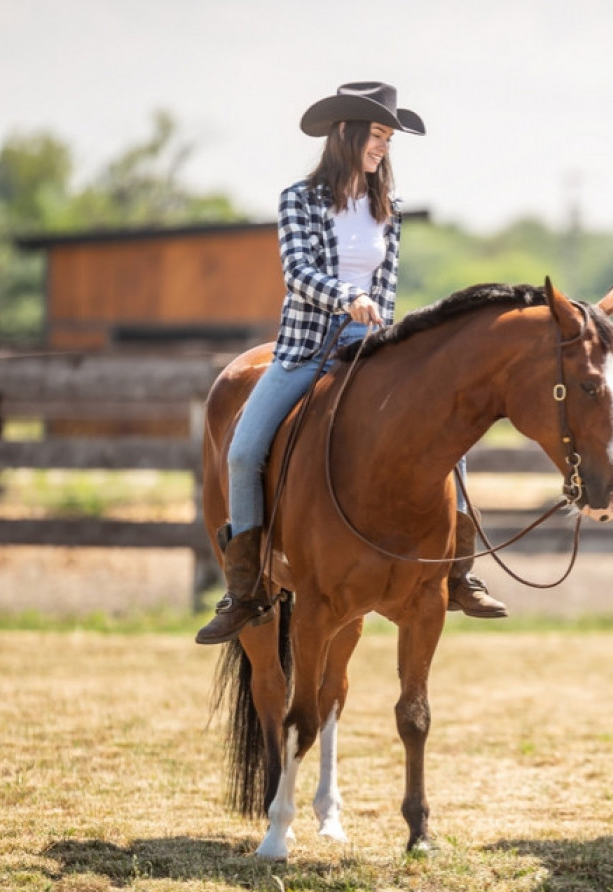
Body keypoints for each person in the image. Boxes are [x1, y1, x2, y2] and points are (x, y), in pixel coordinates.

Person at [196, 81, 505, 646]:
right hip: (306, 350)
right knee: (242, 451)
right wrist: (346, 297)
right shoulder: (299, 199)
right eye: (378, 134)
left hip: (372, 352)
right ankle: (245, 588)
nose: (384, 146)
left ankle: (458, 572)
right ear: (345, 133)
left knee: (450, 444)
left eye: (389, 137)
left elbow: (384, 286)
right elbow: (298, 271)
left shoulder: (391, 208)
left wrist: (384, 330)